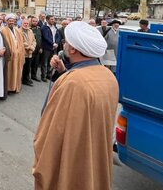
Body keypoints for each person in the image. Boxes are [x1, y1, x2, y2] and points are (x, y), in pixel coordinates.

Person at [32, 21, 119, 190]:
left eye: (66, 41)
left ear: (72, 49)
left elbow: (51, 131)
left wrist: (65, 77)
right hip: (96, 153)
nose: (64, 43)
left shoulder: (73, 82)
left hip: (75, 159)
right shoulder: (108, 76)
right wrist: (64, 72)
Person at [0, 14, 24, 93]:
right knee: (10, 71)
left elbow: (20, 42)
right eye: (9, 21)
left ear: (14, 22)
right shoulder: (4, 30)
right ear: (6, 21)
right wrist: (13, 51)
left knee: (17, 70)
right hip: (10, 55)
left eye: (13, 21)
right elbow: (5, 43)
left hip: (18, 54)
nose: (11, 22)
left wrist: (19, 50)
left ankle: (15, 86)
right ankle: (9, 87)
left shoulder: (17, 30)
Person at [40, 16, 60, 82]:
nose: (53, 20)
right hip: (47, 47)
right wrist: (53, 43)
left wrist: (57, 43)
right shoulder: (44, 28)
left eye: (54, 19)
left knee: (50, 62)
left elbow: (58, 36)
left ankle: (48, 75)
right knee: (44, 63)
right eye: (51, 19)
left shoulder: (55, 27)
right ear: (47, 20)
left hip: (54, 47)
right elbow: (46, 37)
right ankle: (43, 76)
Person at [21, 18, 36, 86]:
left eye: (27, 23)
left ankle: (27, 78)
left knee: (28, 67)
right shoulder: (19, 31)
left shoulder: (30, 31)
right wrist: (29, 47)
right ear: (22, 23)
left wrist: (32, 47)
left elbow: (34, 40)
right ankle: (23, 79)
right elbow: (21, 42)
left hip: (30, 52)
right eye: (25, 23)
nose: (26, 25)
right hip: (23, 53)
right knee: (23, 67)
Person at [30, 16, 42, 82]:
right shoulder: (29, 29)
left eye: (36, 21)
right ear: (31, 21)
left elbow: (41, 39)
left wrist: (41, 48)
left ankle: (34, 76)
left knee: (36, 64)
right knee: (29, 64)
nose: (35, 22)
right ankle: (27, 77)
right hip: (31, 50)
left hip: (38, 49)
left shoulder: (39, 29)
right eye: (33, 21)